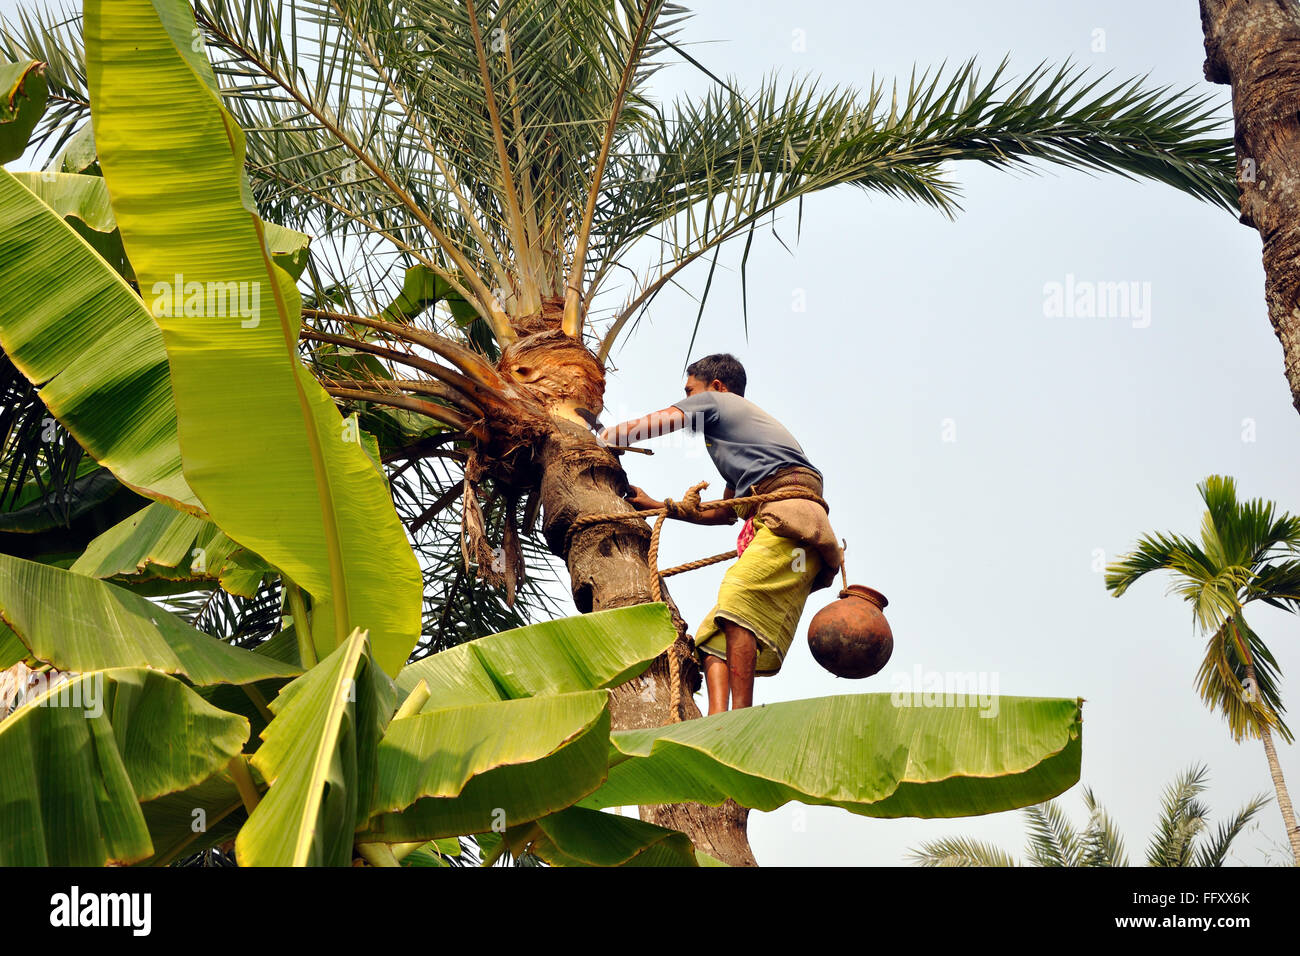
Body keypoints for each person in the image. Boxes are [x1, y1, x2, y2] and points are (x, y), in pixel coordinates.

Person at [598, 353, 842, 714]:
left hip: (791, 522)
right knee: (712, 635)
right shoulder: (739, 444)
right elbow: (725, 513)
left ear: (715, 387)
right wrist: (658, 504)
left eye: (689, 390)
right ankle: (715, 722)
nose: (686, 398)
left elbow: (656, 423)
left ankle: (738, 719)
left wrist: (605, 436)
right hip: (783, 525)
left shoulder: (718, 402)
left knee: (736, 600)